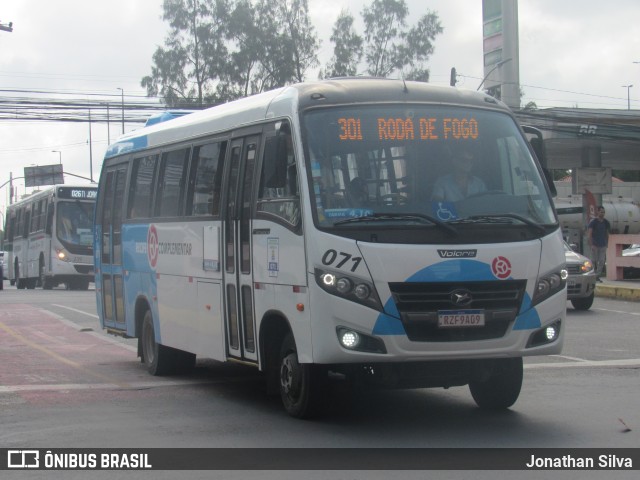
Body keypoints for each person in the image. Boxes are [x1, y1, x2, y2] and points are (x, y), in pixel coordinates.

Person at [587, 205, 611, 282]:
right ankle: (593, 276)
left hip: (603, 244)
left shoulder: (606, 222)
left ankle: (597, 276)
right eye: (601, 212)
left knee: (601, 261)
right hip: (595, 244)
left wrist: (607, 243)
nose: (602, 213)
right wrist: (591, 244)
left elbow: (607, 233)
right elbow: (590, 233)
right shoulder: (593, 222)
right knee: (593, 260)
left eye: (604, 212)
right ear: (597, 212)